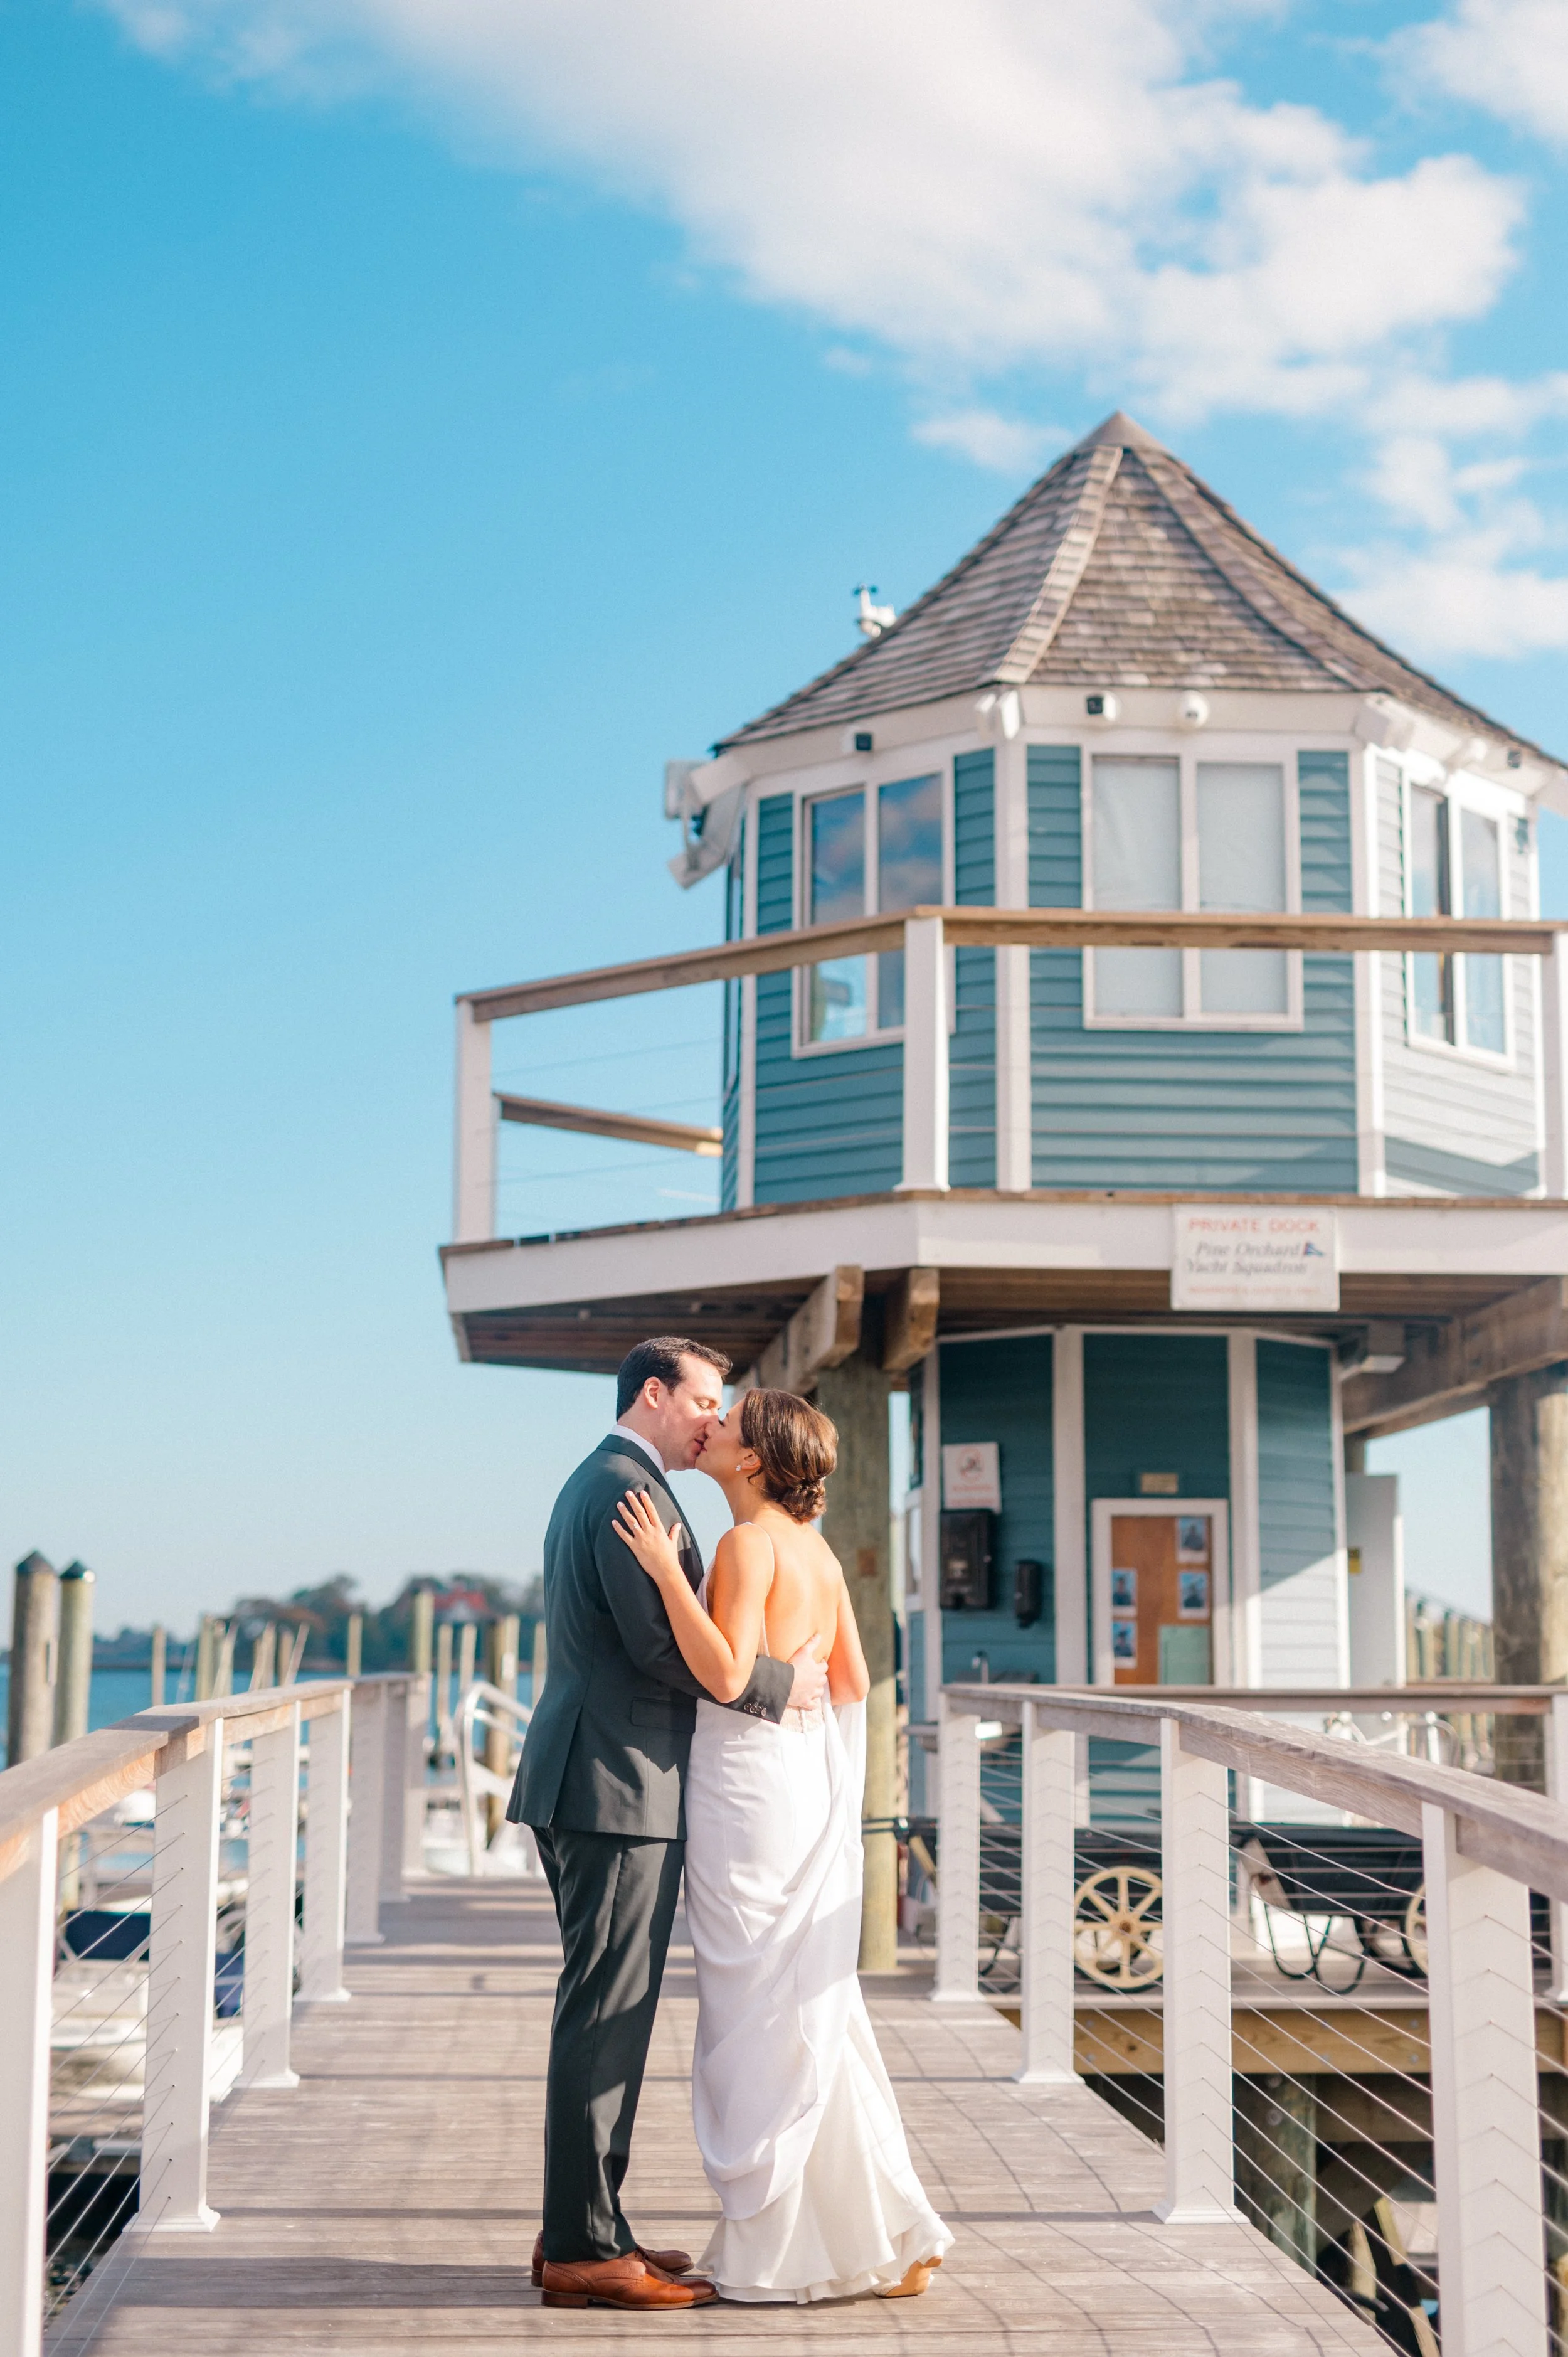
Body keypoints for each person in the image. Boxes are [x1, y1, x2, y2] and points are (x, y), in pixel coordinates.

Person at [507, 1337, 829, 2313]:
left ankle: (594, 2227)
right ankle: (580, 2248)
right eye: (703, 1399)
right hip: (613, 1783)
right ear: (655, 1393)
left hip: (613, 1776)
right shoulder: (620, 1489)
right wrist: (779, 1684)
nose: (711, 1417)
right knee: (606, 2012)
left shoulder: (619, 1481)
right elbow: (657, 1648)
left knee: (611, 2008)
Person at [613, 1385, 953, 2304]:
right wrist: (822, 1766)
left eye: (726, 1425)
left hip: (745, 1792)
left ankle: (786, 2246)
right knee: (807, 1998)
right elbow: (854, 1681)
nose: (711, 1427)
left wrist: (663, 1572)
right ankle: (879, 2229)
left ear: (753, 1460)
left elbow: (726, 1675)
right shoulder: (818, 1553)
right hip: (800, 1787)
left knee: (755, 2000)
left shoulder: (744, 1544)